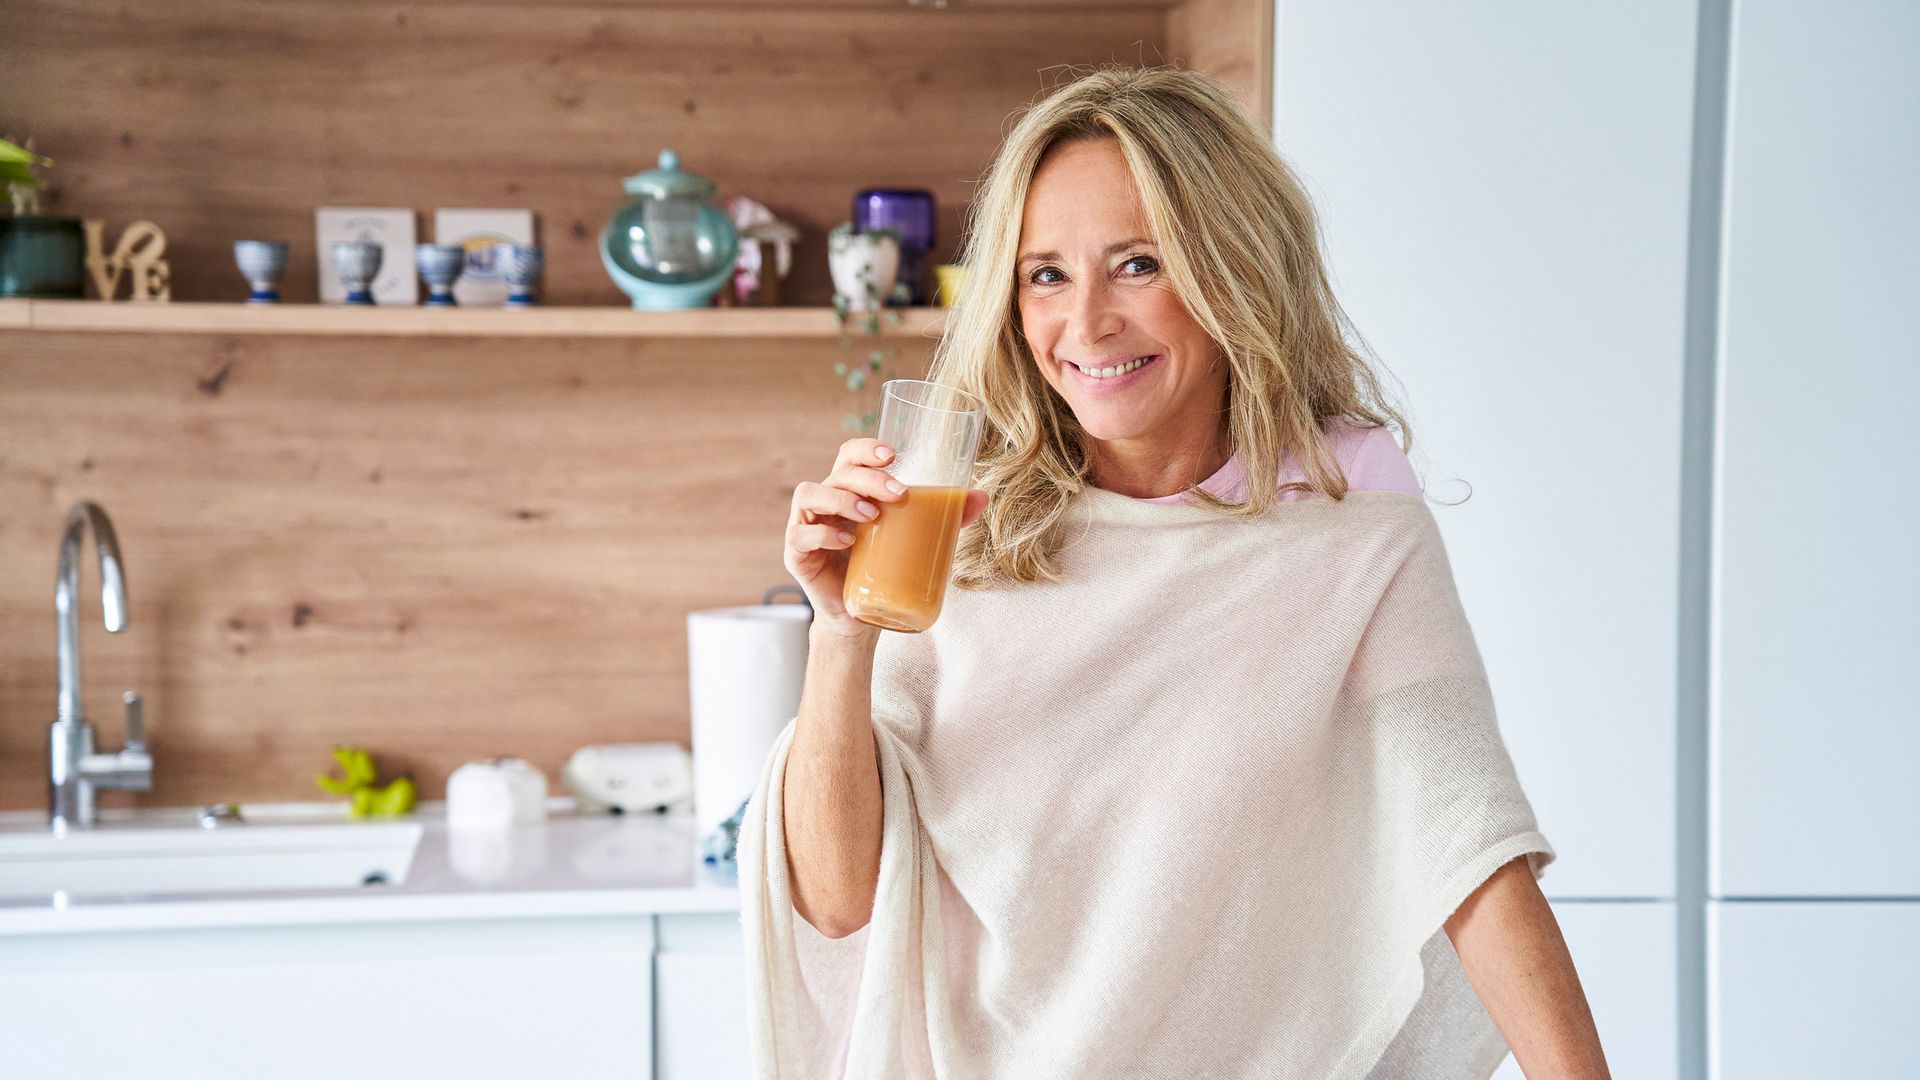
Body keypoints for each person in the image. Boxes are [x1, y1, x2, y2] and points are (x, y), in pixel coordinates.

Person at [745, 66, 1610, 1079]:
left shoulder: (1346, 508)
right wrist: (843, 633)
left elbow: (1467, 849)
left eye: (1139, 263)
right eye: (1046, 274)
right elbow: (842, 899)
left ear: (1233, 269)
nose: (1088, 323)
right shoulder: (956, 521)